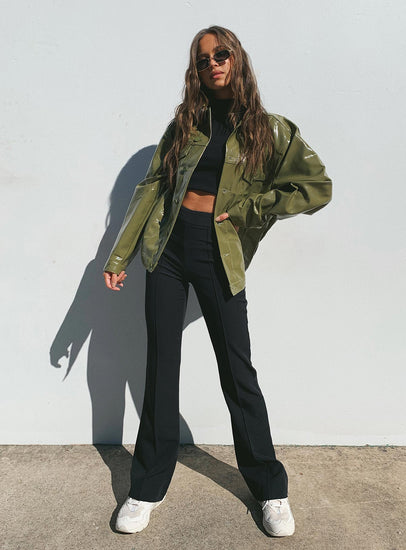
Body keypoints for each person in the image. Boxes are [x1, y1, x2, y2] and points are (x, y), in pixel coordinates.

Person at [103, 25, 332, 537]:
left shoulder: (270, 130)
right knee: (161, 368)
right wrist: (120, 255)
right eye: (202, 59)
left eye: (220, 54)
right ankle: (147, 488)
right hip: (168, 248)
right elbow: (153, 186)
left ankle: (270, 488)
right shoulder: (187, 123)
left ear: (237, 58)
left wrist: (251, 209)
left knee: (237, 370)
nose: (212, 64)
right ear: (196, 70)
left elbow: (316, 186)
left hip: (217, 251)